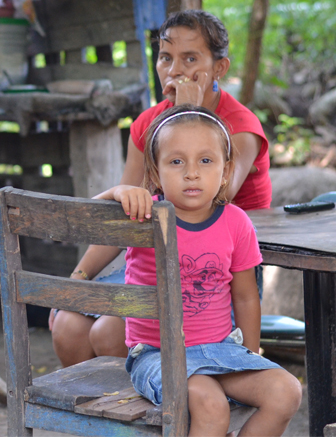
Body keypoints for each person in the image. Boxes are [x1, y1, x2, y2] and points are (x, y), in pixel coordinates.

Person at [50, 9, 272, 367]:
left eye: (190, 59)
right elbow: (126, 212)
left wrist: (188, 111)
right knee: (68, 324)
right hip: (155, 262)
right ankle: (109, 419)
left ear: (219, 68)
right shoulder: (147, 125)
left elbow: (214, 199)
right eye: (166, 58)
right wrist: (79, 278)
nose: (175, 71)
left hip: (216, 275)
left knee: (107, 331)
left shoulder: (241, 128)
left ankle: (163, 417)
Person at [101, 105, 301, 436]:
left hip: (221, 350)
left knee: (286, 391)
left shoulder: (237, 222)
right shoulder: (145, 214)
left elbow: (246, 297)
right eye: (176, 161)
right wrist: (118, 192)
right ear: (154, 171)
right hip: (157, 355)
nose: (191, 173)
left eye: (205, 161)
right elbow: (78, 216)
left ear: (226, 171)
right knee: (210, 404)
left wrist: (249, 356)